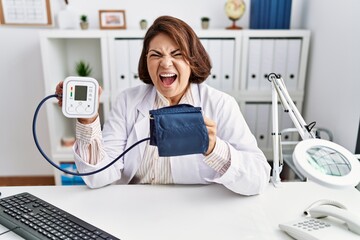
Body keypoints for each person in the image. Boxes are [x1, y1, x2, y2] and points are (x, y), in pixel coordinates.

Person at [56, 15, 271, 195]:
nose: (166, 63)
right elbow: (97, 176)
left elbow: (259, 179)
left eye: (177, 54)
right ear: (146, 62)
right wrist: (88, 119)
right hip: (134, 208)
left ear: (192, 60)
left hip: (197, 210)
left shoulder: (221, 104)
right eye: (155, 55)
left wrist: (215, 149)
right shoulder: (127, 102)